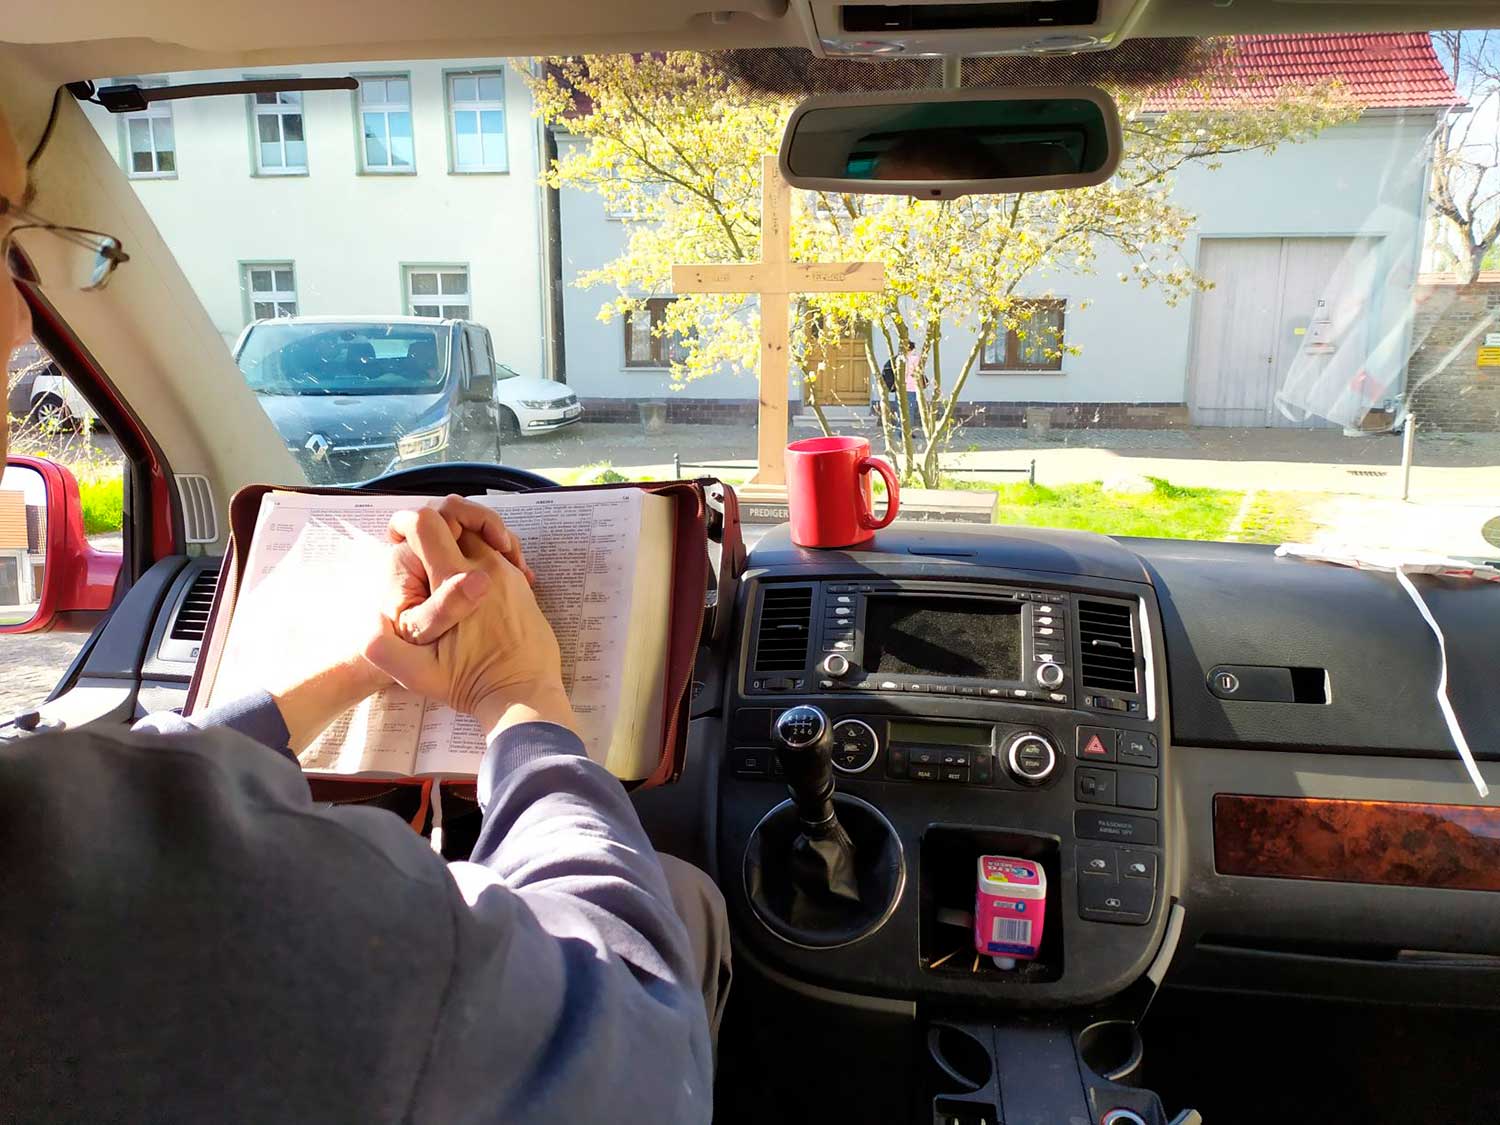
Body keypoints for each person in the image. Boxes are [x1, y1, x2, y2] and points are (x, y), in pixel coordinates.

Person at [0, 100, 726, 1122]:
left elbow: (107, 807)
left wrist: (356, 665)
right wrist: (522, 700)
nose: (25, 318)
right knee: (684, 900)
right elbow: (643, 1046)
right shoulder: (104, 904)